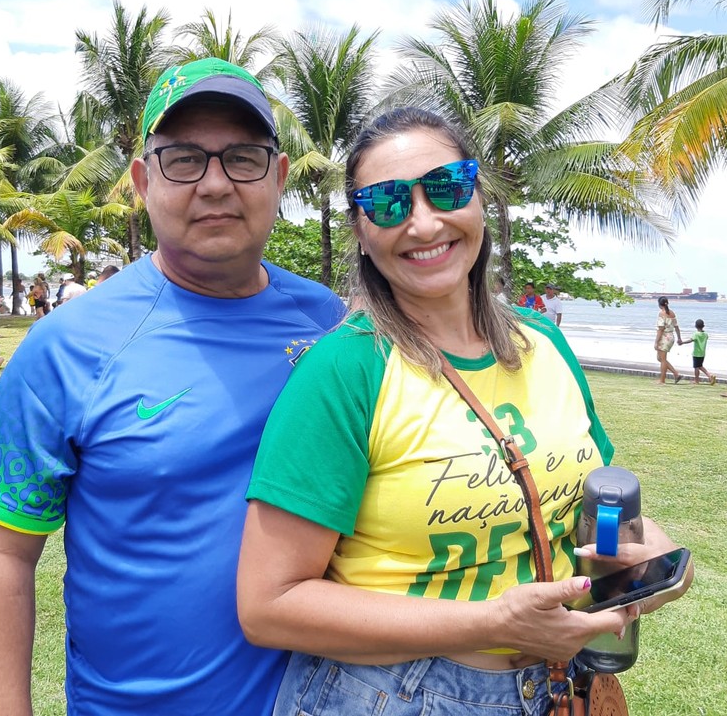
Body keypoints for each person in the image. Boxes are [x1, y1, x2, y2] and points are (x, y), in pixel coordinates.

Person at [236, 107, 692, 716]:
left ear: (478, 196)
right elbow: (269, 605)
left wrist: (644, 559)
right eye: (389, 203)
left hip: (559, 686)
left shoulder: (544, 343)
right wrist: (492, 621)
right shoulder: (344, 371)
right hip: (395, 694)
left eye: (447, 187)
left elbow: (590, 506)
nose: (424, 224)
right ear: (361, 229)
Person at [0, 57, 346, 716]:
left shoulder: (332, 327)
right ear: (142, 180)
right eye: (184, 159)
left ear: (278, 177)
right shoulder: (68, 347)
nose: (216, 184)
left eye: (243, 157)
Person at [678, 319, 717, 385]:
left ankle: (699, 379)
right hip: (702, 353)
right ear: (703, 326)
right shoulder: (705, 334)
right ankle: (708, 377)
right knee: (700, 366)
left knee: (696, 367)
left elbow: (690, 340)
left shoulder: (696, 334)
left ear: (695, 326)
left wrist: (682, 342)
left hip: (696, 353)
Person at [654, 296, 683, 384]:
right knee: (660, 358)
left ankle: (662, 380)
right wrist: (679, 338)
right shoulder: (672, 313)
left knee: (662, 359)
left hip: (665, 337)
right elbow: (677, 327)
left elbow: (661, 329)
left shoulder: (661, 313)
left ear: (659, 304)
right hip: (671, 336)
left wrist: (656, 341)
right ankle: (675, 374)